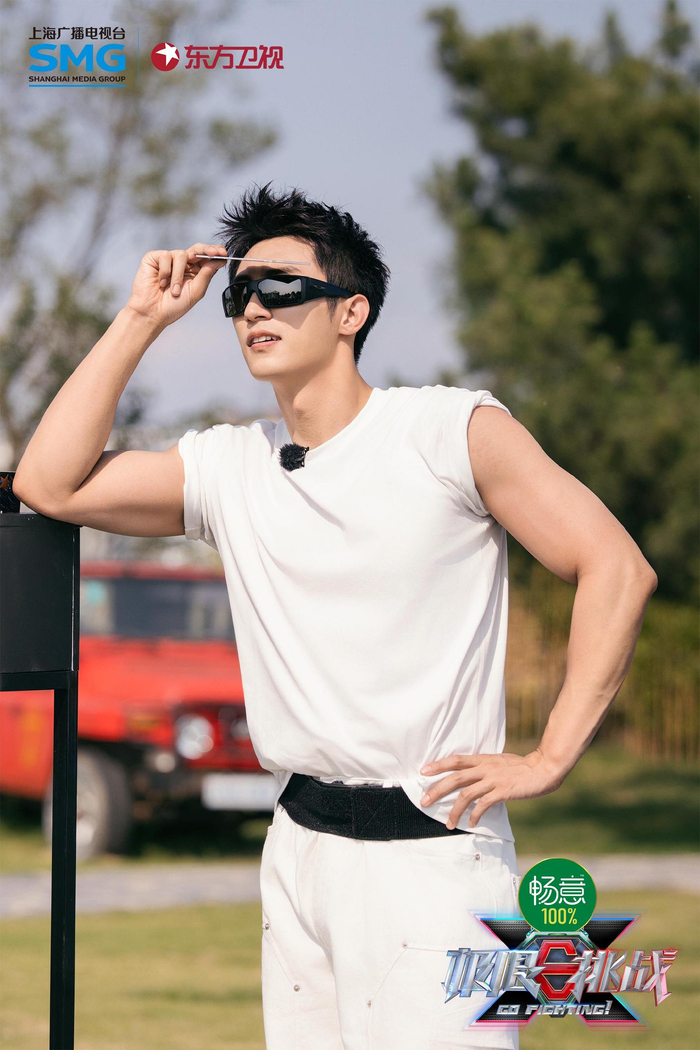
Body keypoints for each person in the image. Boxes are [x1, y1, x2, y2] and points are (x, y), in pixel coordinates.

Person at [13, 182, 658, 1050]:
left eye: (283, 287)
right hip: (298, 851)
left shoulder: (448, 430)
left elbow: (616, 566)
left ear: (352, 311)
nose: (255, 308)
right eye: (242, 292)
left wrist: (549, 758)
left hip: (434, 861)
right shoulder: (229, 463)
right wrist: (142, 318)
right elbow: (47, 483)